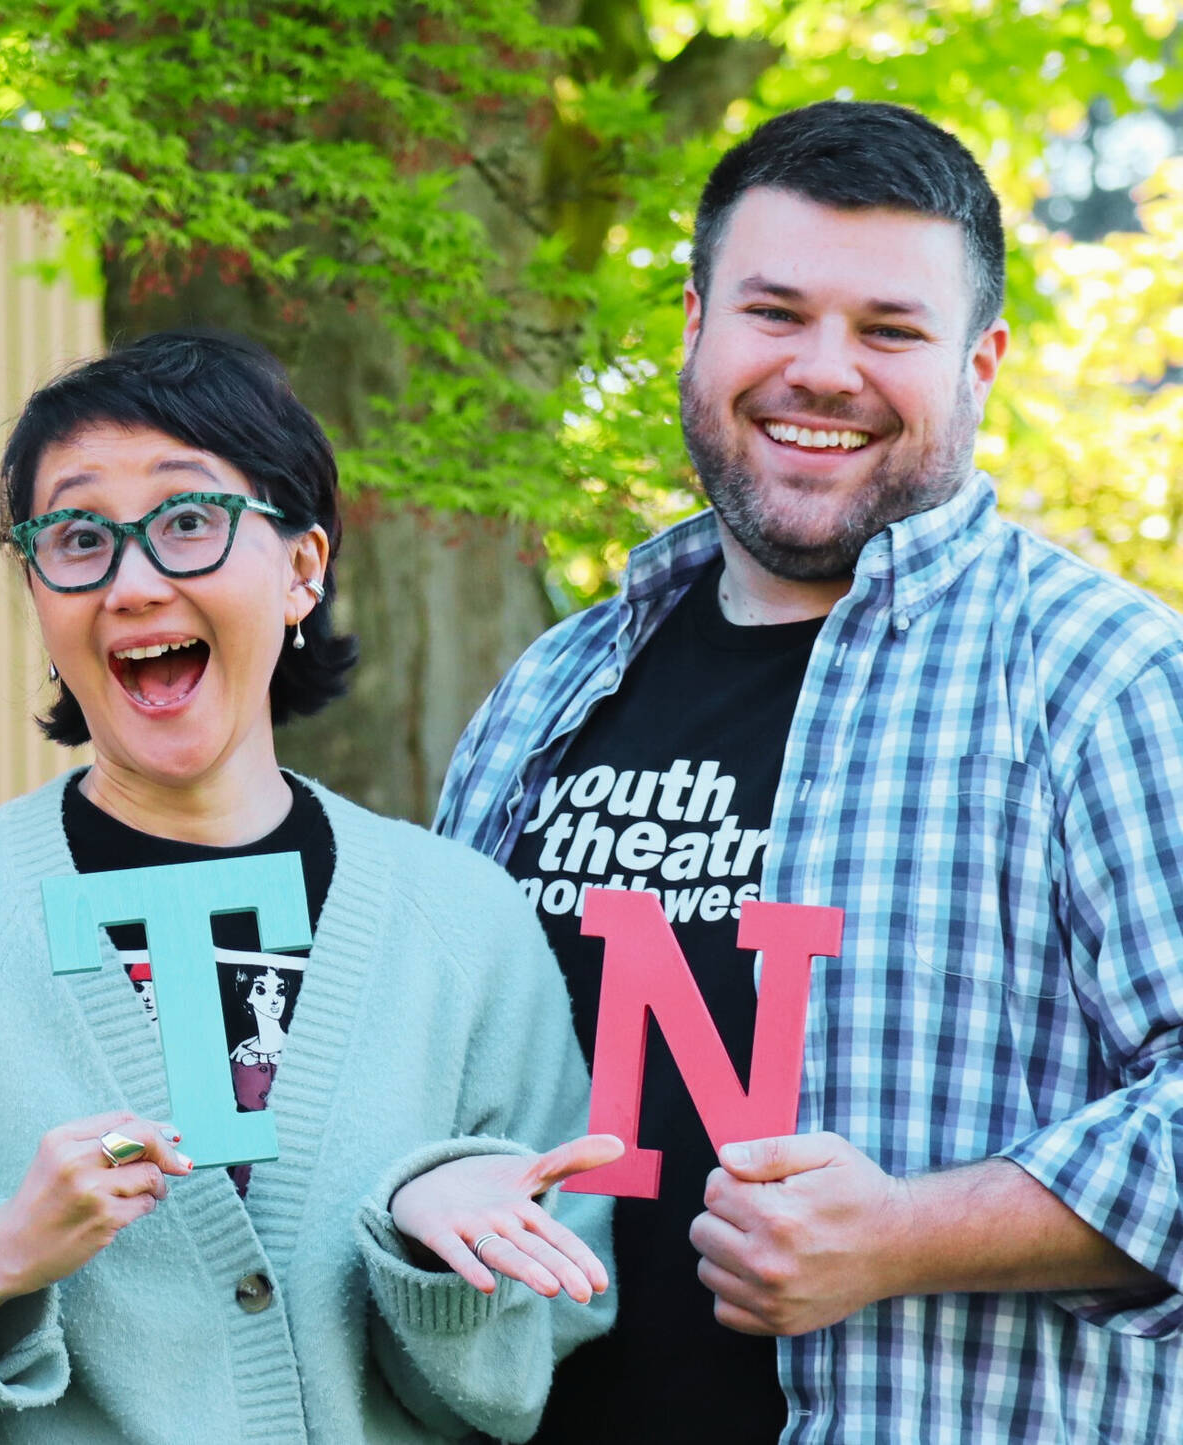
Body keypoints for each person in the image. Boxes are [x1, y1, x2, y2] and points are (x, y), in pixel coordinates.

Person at [0, 331, 618, 1442]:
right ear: (38, 590)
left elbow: (538, 1359)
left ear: (302, 567)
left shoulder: (465, 926)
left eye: (189, 521)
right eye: (78, 538)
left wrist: (431, 1253)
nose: (133, 583)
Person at [436, 100, 1183, 1443]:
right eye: (773, 312)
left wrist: (907, 1231)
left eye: (889, 329)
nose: (822, 371)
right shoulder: (546, 690)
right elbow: (422, 1082)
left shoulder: (1101, 679)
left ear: (980, 363)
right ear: (694, 325)